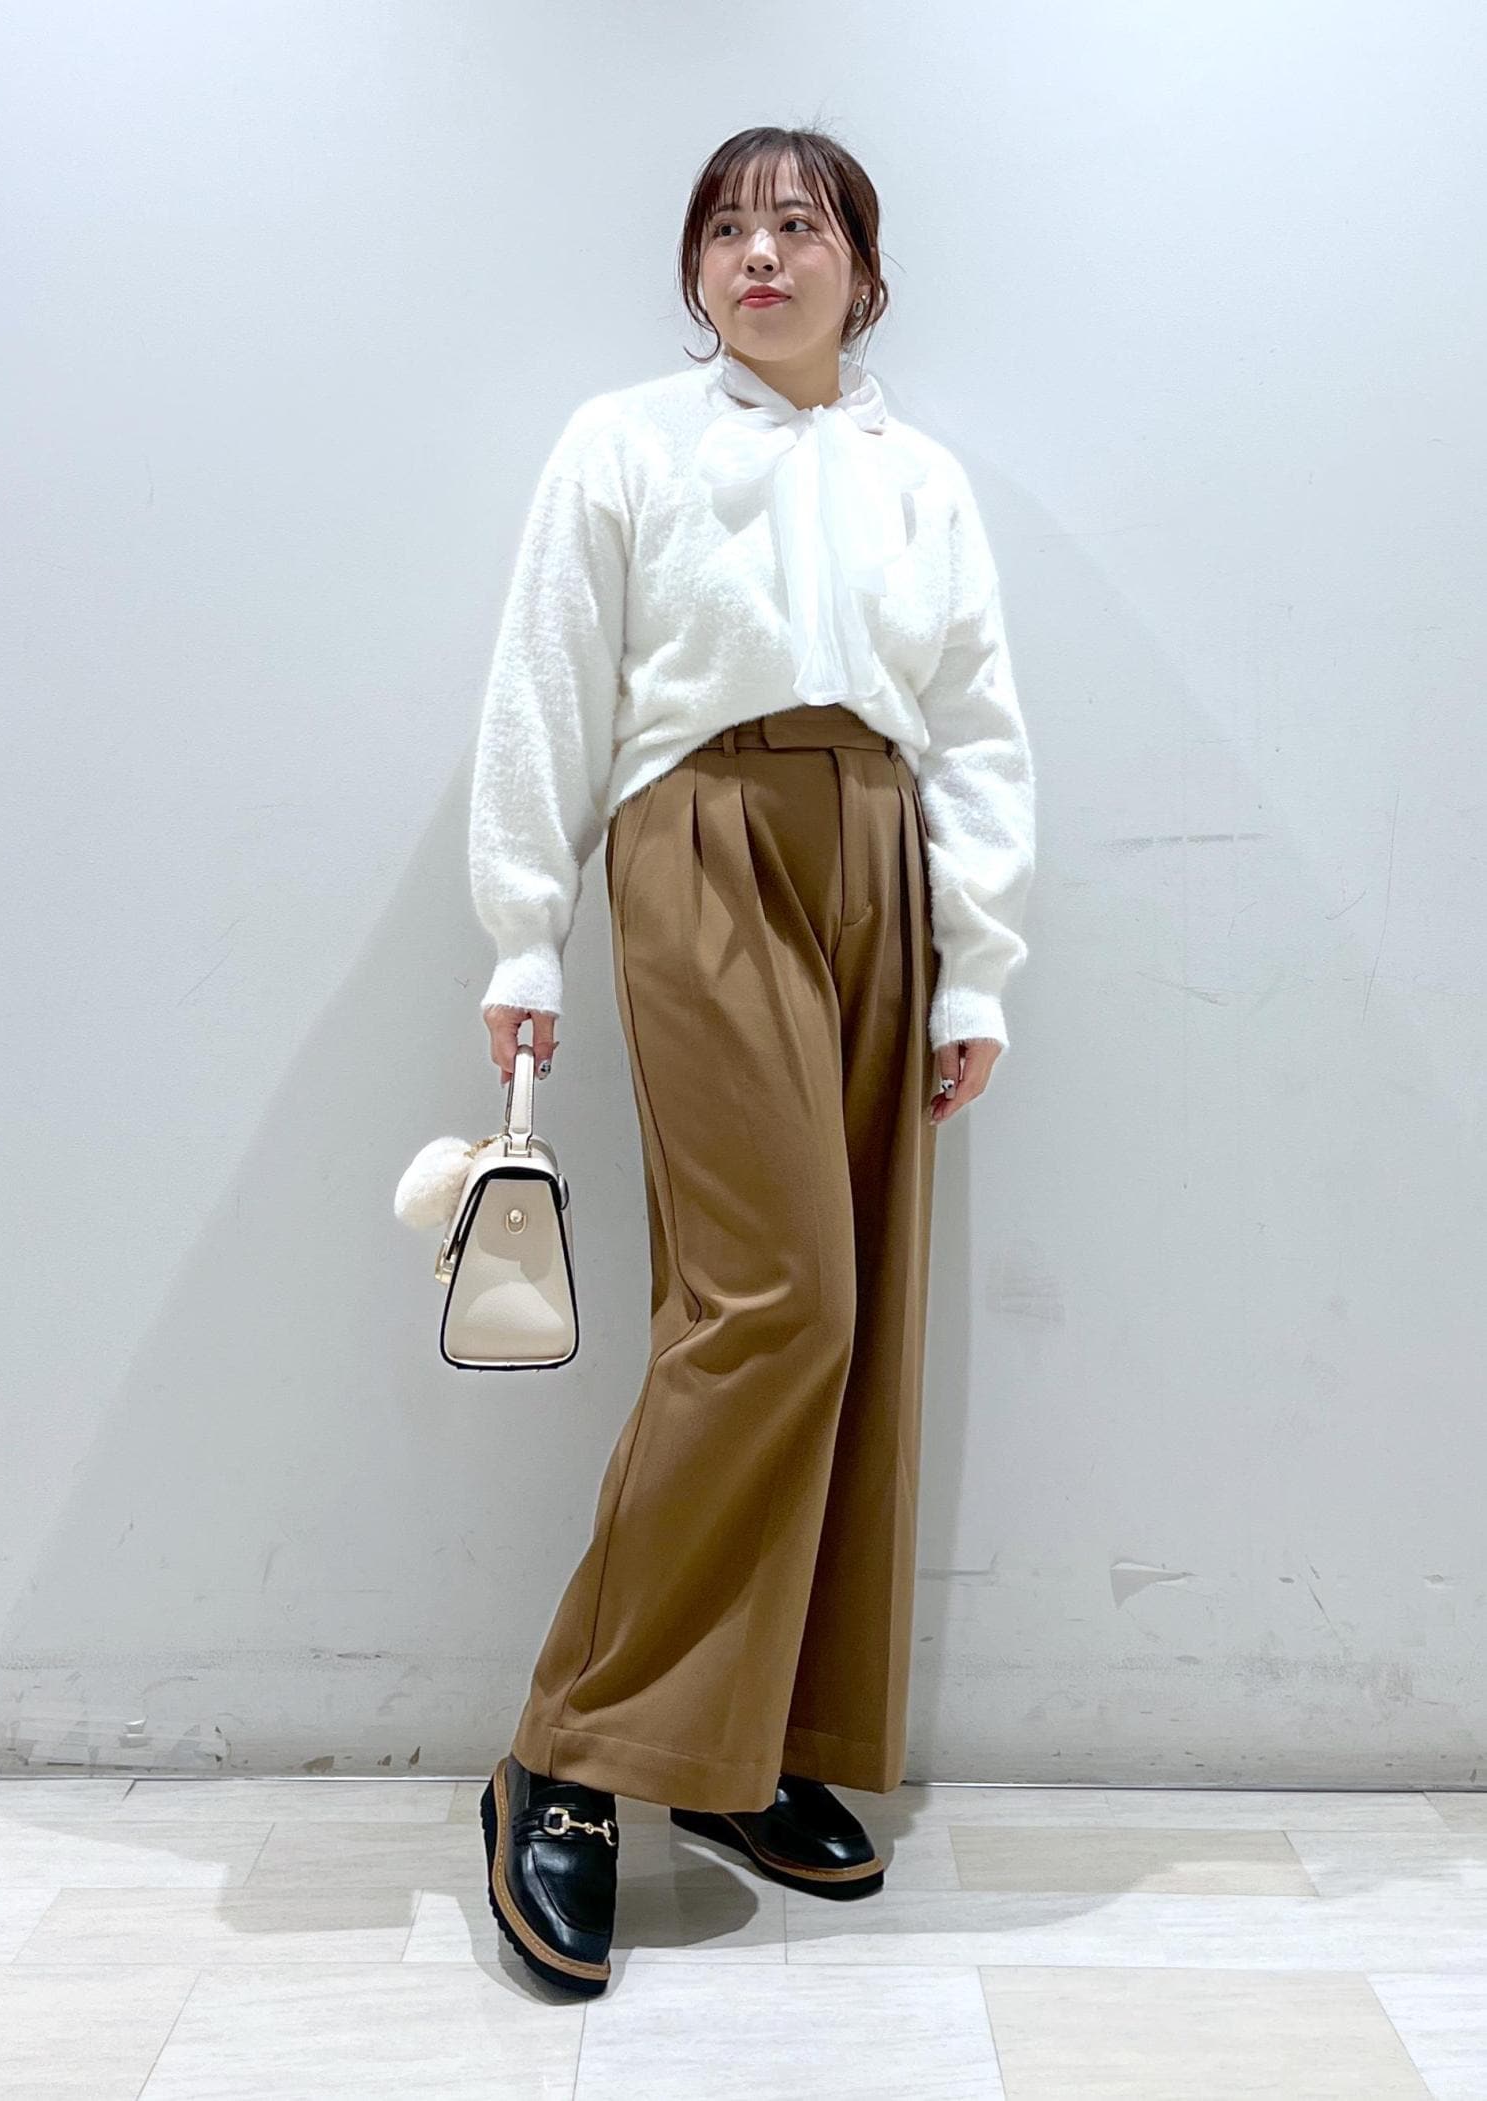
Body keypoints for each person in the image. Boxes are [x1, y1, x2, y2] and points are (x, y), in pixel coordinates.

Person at [469, 125, 1036, 1995]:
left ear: (864, 268)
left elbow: (974, 725)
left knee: (855, 1321)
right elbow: (548, 682)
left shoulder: (918, 475)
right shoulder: (625, 442)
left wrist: (974, 970)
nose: (760, 255)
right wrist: (522, 931)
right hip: (699, 832)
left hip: (879, 849)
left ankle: (743, 1739)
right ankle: (568, 1751)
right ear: (695, 271)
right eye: (727, 229)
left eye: (799, 225)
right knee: (777, 1299)